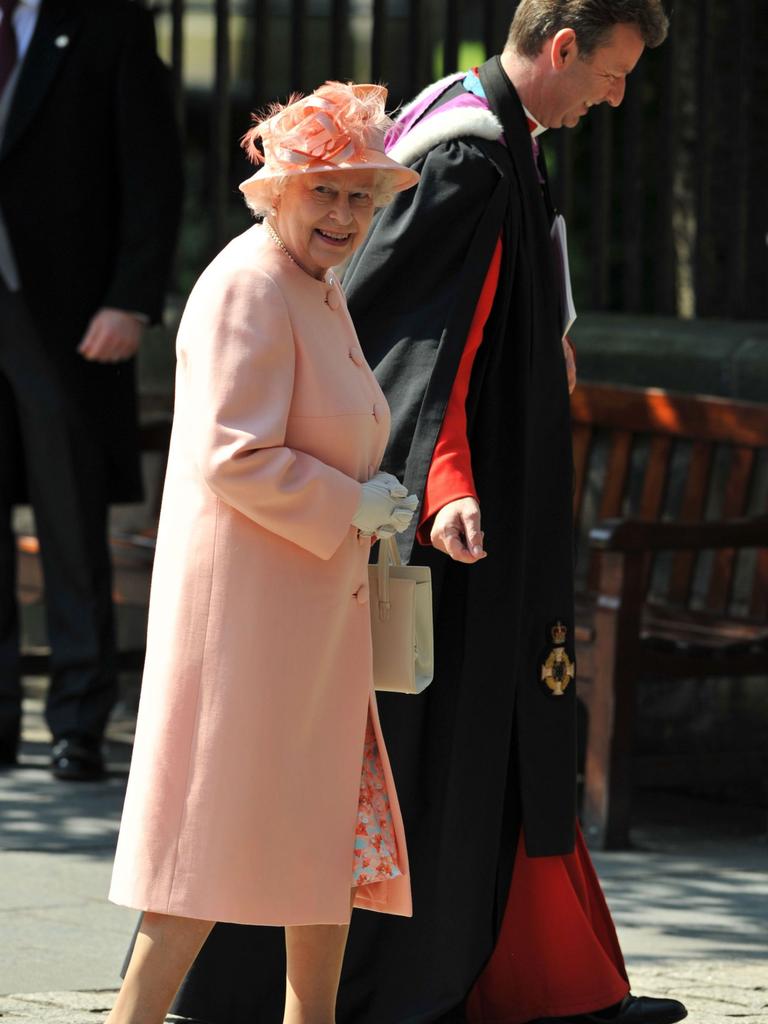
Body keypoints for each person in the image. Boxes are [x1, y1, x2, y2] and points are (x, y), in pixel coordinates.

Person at [171, 3, 689, 1024]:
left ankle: (521, 978)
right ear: (560, 48)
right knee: (423, 757)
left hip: (479, 510)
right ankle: (404, 987)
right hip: (457, 528)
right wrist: (443, 487)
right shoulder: (467, 159)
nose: (618, 95)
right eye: (612, 72)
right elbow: (417, 353)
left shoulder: (491, 138)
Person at [106, 82, 421, 1024]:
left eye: (361, 196)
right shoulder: (249, 283)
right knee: (205, 859)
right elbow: (232, 455)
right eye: (325, 192)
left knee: (322, 847)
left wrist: (370, 499)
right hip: (250, 625)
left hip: (306, 618)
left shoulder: (311, 285)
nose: (345, 214)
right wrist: (351, 501)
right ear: (274, 190)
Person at [0, 0, 182, 780]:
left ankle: (78, 722)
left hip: (65, 315)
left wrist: (131, 297)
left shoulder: (107, 20)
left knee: (69, 520)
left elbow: (152, 168)